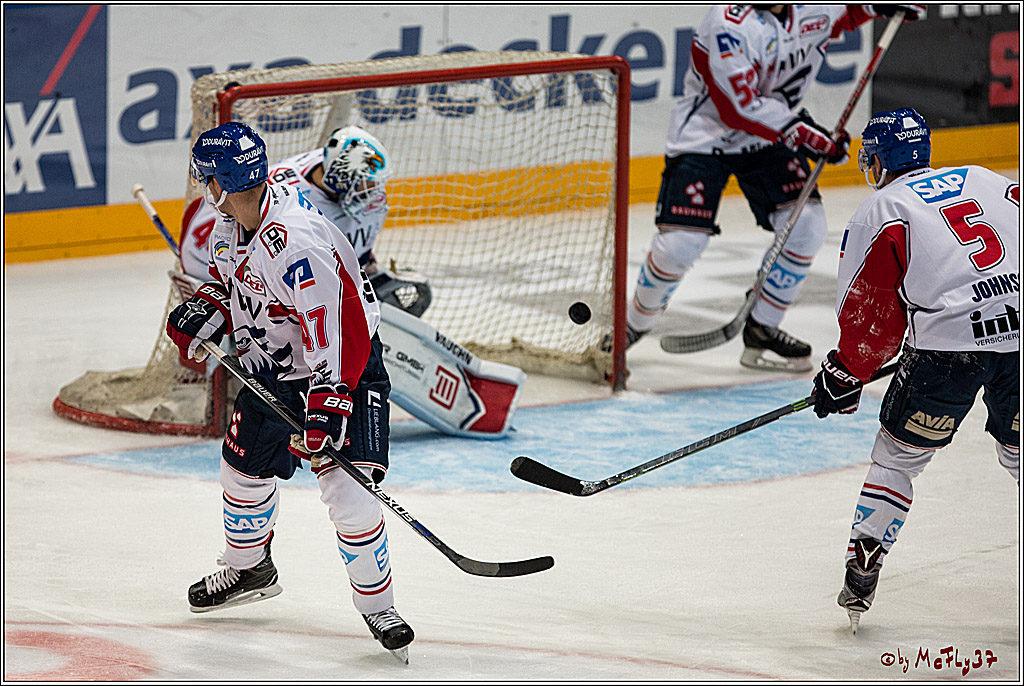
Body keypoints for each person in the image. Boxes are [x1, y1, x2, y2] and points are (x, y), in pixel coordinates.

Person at [166, 121, 415, 660]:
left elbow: (333, 329)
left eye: (208, 179)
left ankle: (379, 606)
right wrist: (207, 308)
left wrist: (329, 405)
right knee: (243, 469)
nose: (203, 188)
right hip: (273, 369)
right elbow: (228, 280)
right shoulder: (235, 219)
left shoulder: (294, 242)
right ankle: (248, 568)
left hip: (343, 368)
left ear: (226, 182)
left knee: (349, 492)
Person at [618, 3, 923, 371]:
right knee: (679, 245)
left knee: (807, 227)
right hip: (705, 138)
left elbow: (850, 12)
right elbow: (737, 107)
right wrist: (807, 134)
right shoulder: (727, 23)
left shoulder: (813, 10)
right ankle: (629, 328)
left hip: (768, 140)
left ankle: (763, 326)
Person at [812, 107, 1019, 631]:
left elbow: (870, 311)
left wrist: (846, 372)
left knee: (899, 457)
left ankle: (864, 565)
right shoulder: (987, 179)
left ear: (880, 159)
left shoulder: (882, 208)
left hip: (947, 352)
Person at [179, 124, 430, 318]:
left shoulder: (330, 164)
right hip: (210, 266)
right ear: (341, 178)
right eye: (366, 184)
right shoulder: (293, 203)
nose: (373, 193)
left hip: (216, 245)